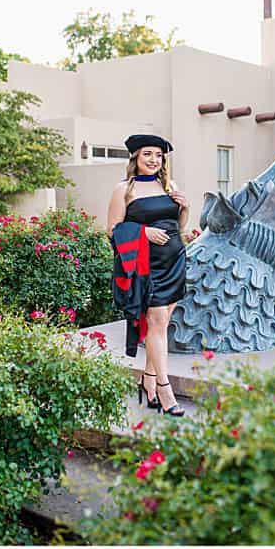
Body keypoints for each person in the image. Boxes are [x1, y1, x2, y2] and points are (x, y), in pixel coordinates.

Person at [106, 134, 191, 417]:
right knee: (155, 322)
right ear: (136, 158)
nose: (154, 160)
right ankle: (165, 389)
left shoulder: (169, 185)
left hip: (175, 262)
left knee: (162, 323)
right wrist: (142, 232)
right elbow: (112, 230)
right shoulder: (124, 189)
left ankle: (149, 380)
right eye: (148, 155)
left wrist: (186, 207)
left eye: (158, 155)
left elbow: (178, 226)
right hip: (146, 267)